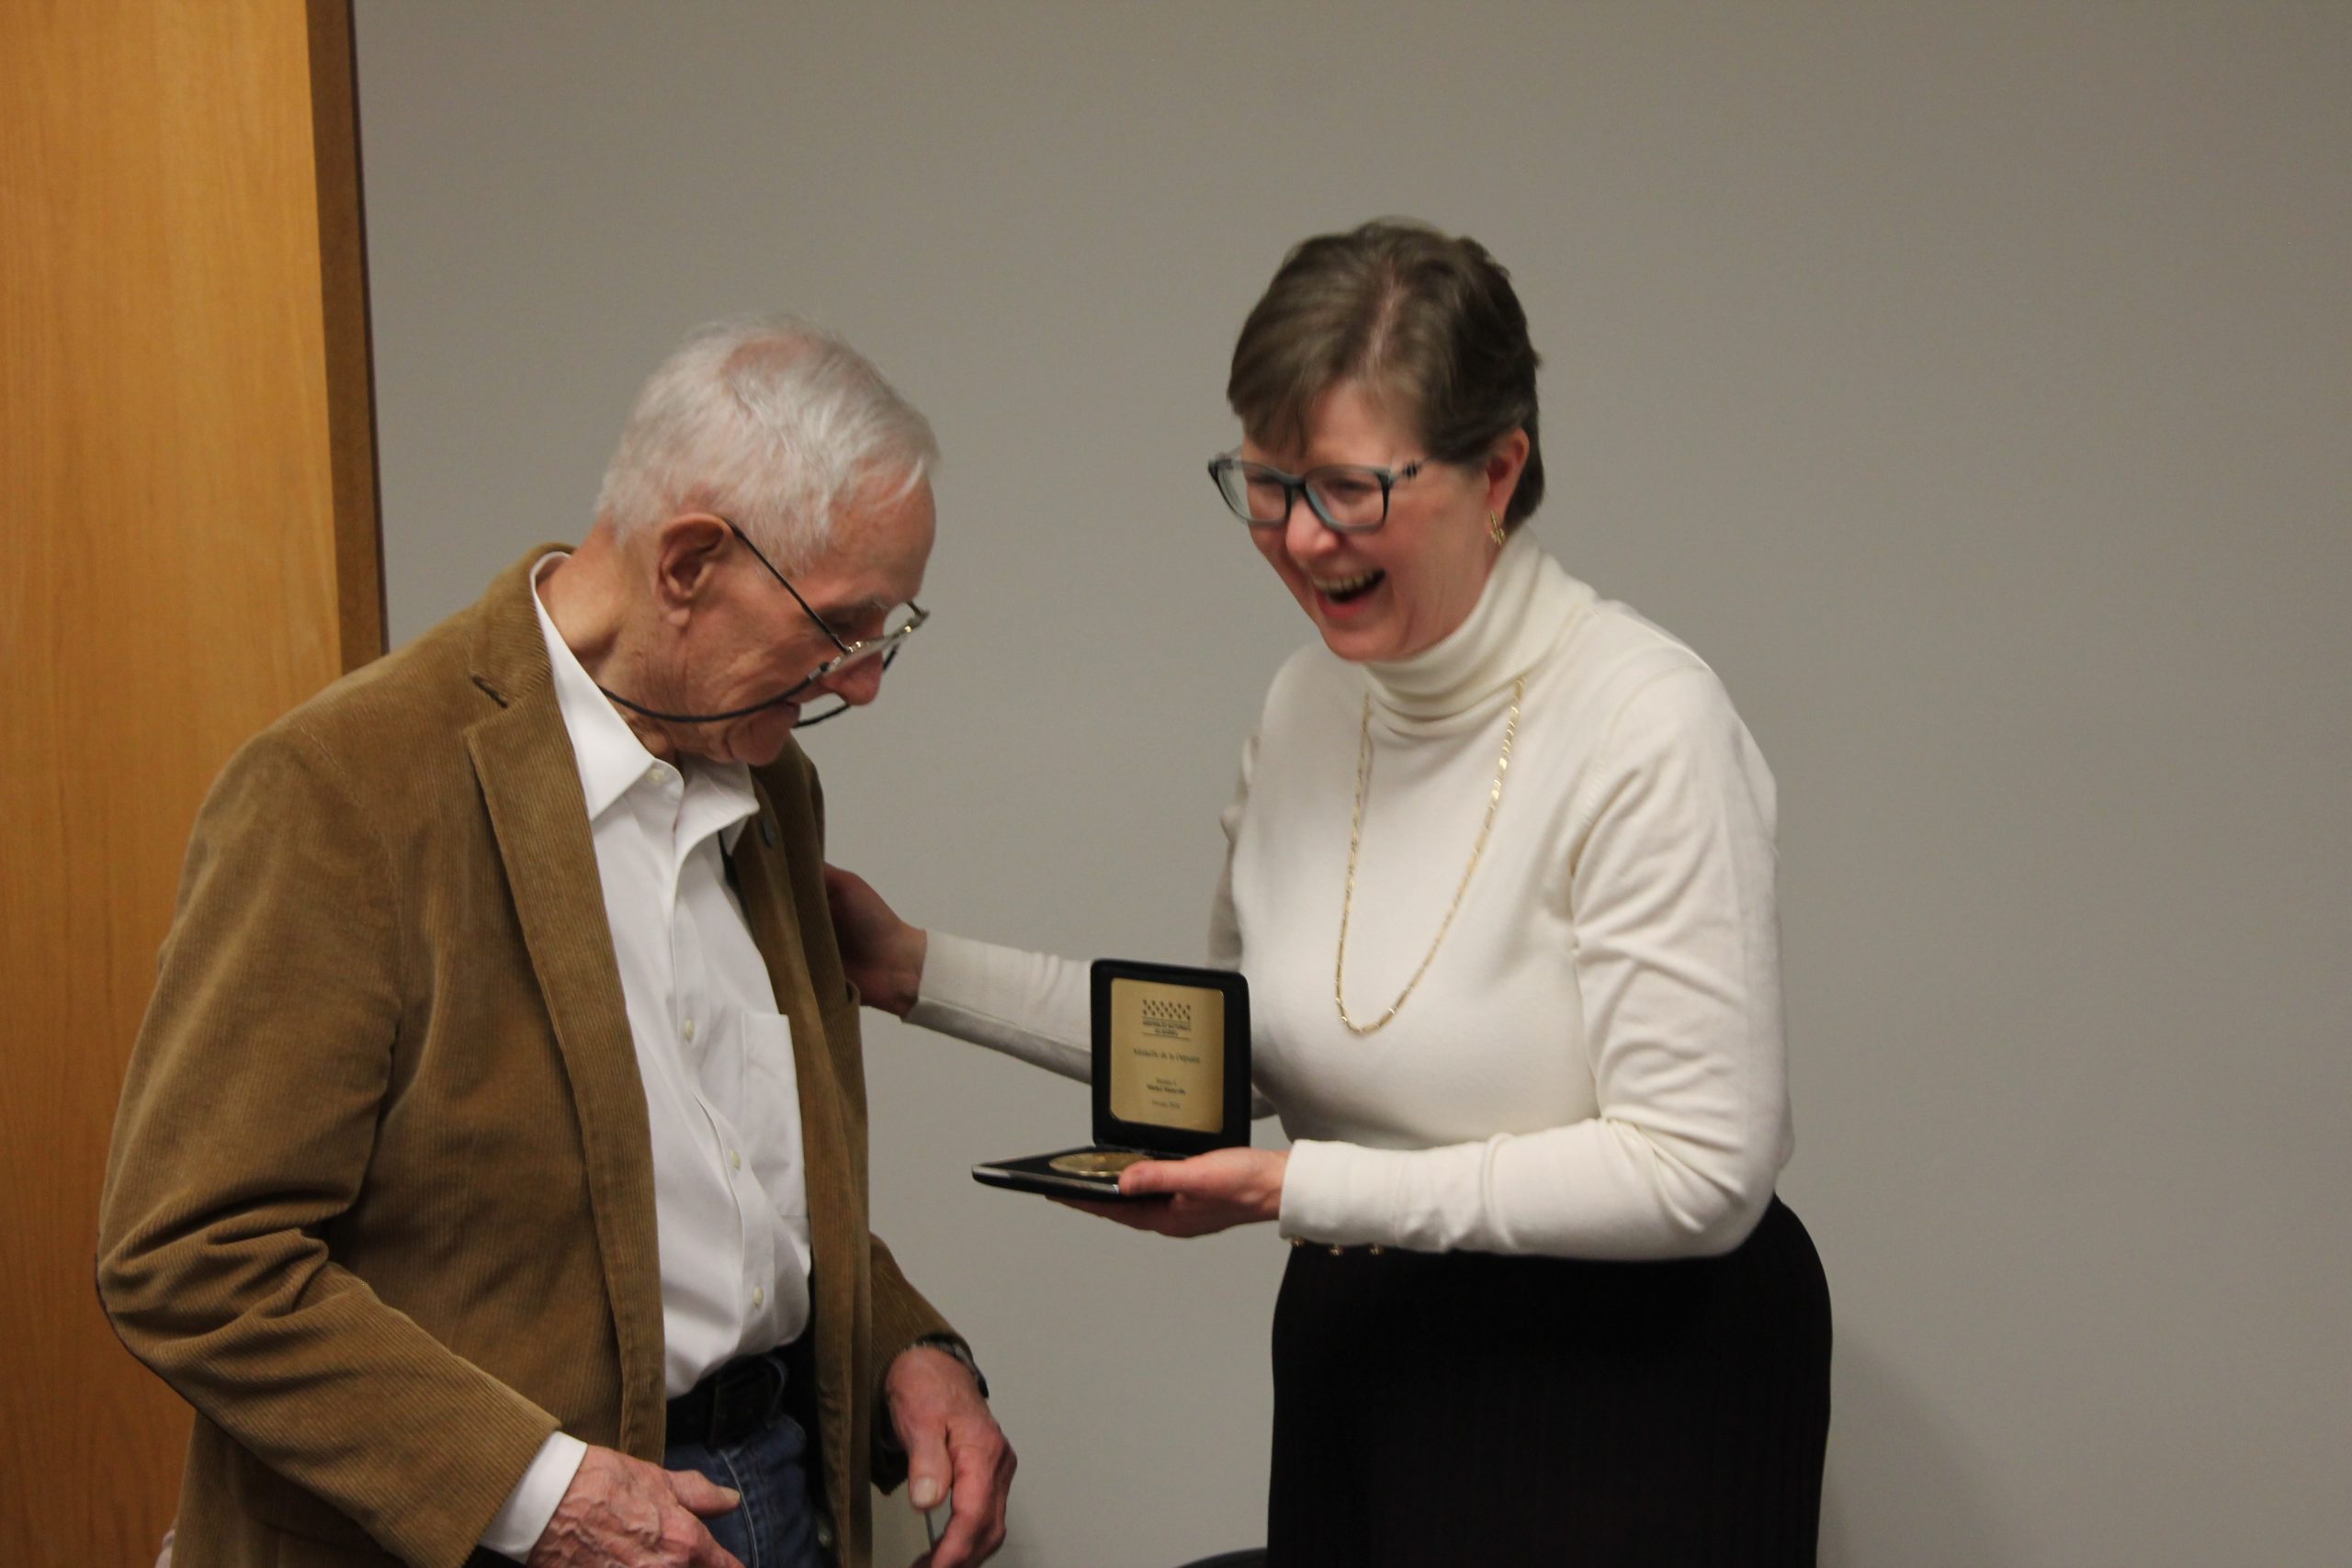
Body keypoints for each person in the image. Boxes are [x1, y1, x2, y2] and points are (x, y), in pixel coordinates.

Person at [825, 221, 1831, 1565]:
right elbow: (1240, 1052)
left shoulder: (1647, 722)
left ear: (1499, 471)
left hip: (1628, 1386)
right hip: (1371, 1357)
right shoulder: (1307, 703)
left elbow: (1702, 1172)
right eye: (1264, 482)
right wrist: (909, 970)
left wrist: (1302, 1192)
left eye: (1348, 489)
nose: (1299, 538)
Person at [97, 319, 1015, 1568]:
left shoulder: (771, 786)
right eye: (842, 627)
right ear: (689, 563)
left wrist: (907, 1348)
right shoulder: (341, 790)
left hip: (771, 1497)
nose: (860, 683)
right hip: (483, 1535)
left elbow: (729, 1198)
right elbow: (191, 1256)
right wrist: (541, 1493)